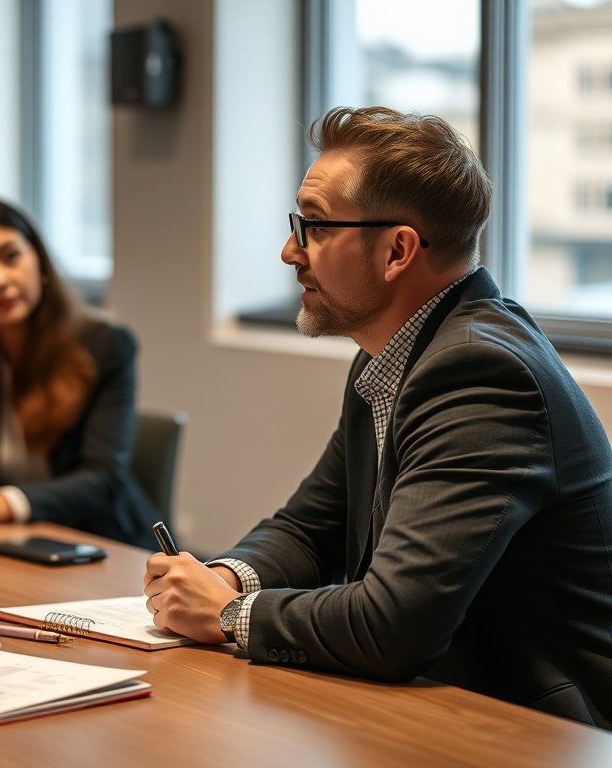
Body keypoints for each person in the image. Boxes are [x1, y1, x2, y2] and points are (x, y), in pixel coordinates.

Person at [143, 106, 612, 728]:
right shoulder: (394, 355)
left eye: (312, 226)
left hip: (540, 731)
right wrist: (224, 577)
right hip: (449, 707)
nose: (289, 251)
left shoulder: (481, 373)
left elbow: (394, 624)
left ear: (397, 250)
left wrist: (229, 616)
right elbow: (311, 528)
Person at [0, 197, 159, 548]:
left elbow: (103, 479)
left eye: (11, 257)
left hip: (107, 546)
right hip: (11, 547)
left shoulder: (106, 347)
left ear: (41, 263)